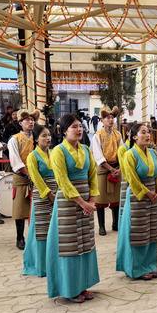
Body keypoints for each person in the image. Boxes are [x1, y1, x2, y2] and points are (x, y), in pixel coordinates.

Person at [45, 114, 100, 303]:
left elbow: (93, 175)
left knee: (85, 242)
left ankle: (83, 284)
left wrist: (92, 199)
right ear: (63, 130)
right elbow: (62, 181)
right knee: (69, 246)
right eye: (74, 127)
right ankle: (70, 288)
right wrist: (83, 203)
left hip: (86, 202)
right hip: (68, 204)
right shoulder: (58, 151)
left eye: (80, 126)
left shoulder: (85, 148)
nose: (79, 130)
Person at [117, 122, 157, 280]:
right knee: (139, 232)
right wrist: (147, 192)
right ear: (134, 136)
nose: (147, 135)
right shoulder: (129, 154)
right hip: (138, 197)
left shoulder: (152, 153)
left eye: (148, 132)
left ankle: (150, 265)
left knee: (151, 231)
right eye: (143, 132)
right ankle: (137, 268)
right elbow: (132, 178)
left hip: (153, 197)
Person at [23, 124, 56, 277]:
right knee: (41, 230)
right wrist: (48, 194)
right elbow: (35, 178)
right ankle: (42, 265)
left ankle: (54, 262)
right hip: (42, 194)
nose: (47, 138)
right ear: (36, 139)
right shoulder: (32, 156)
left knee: (54, 227)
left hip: (57, 191)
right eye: (43, 135)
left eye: (48, 135)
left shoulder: (54, 153)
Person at [90, 107, 123, 236]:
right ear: (102, 120)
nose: (110, 120)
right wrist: (111, 169)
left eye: (112, 117)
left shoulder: (118, 134)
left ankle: (115, 223)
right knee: (100, 199)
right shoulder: (97, 136)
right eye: (107, 118)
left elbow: (122, 151)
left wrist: (119, 167)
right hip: (103, 169)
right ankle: (102, 226)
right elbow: (98, 155)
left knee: (116, 198)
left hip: (116, 167)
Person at [8, 110, 37, 249]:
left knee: (37, 208)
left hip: (37, 176)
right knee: (20, 209)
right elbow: (15, 160)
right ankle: (20, 237)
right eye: (26, 120)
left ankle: (36, 235)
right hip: (21, 177)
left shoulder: (37, 137)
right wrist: (28, 174)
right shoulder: (14, 139)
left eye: (32, 119)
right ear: (20, 123)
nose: (30, 122)